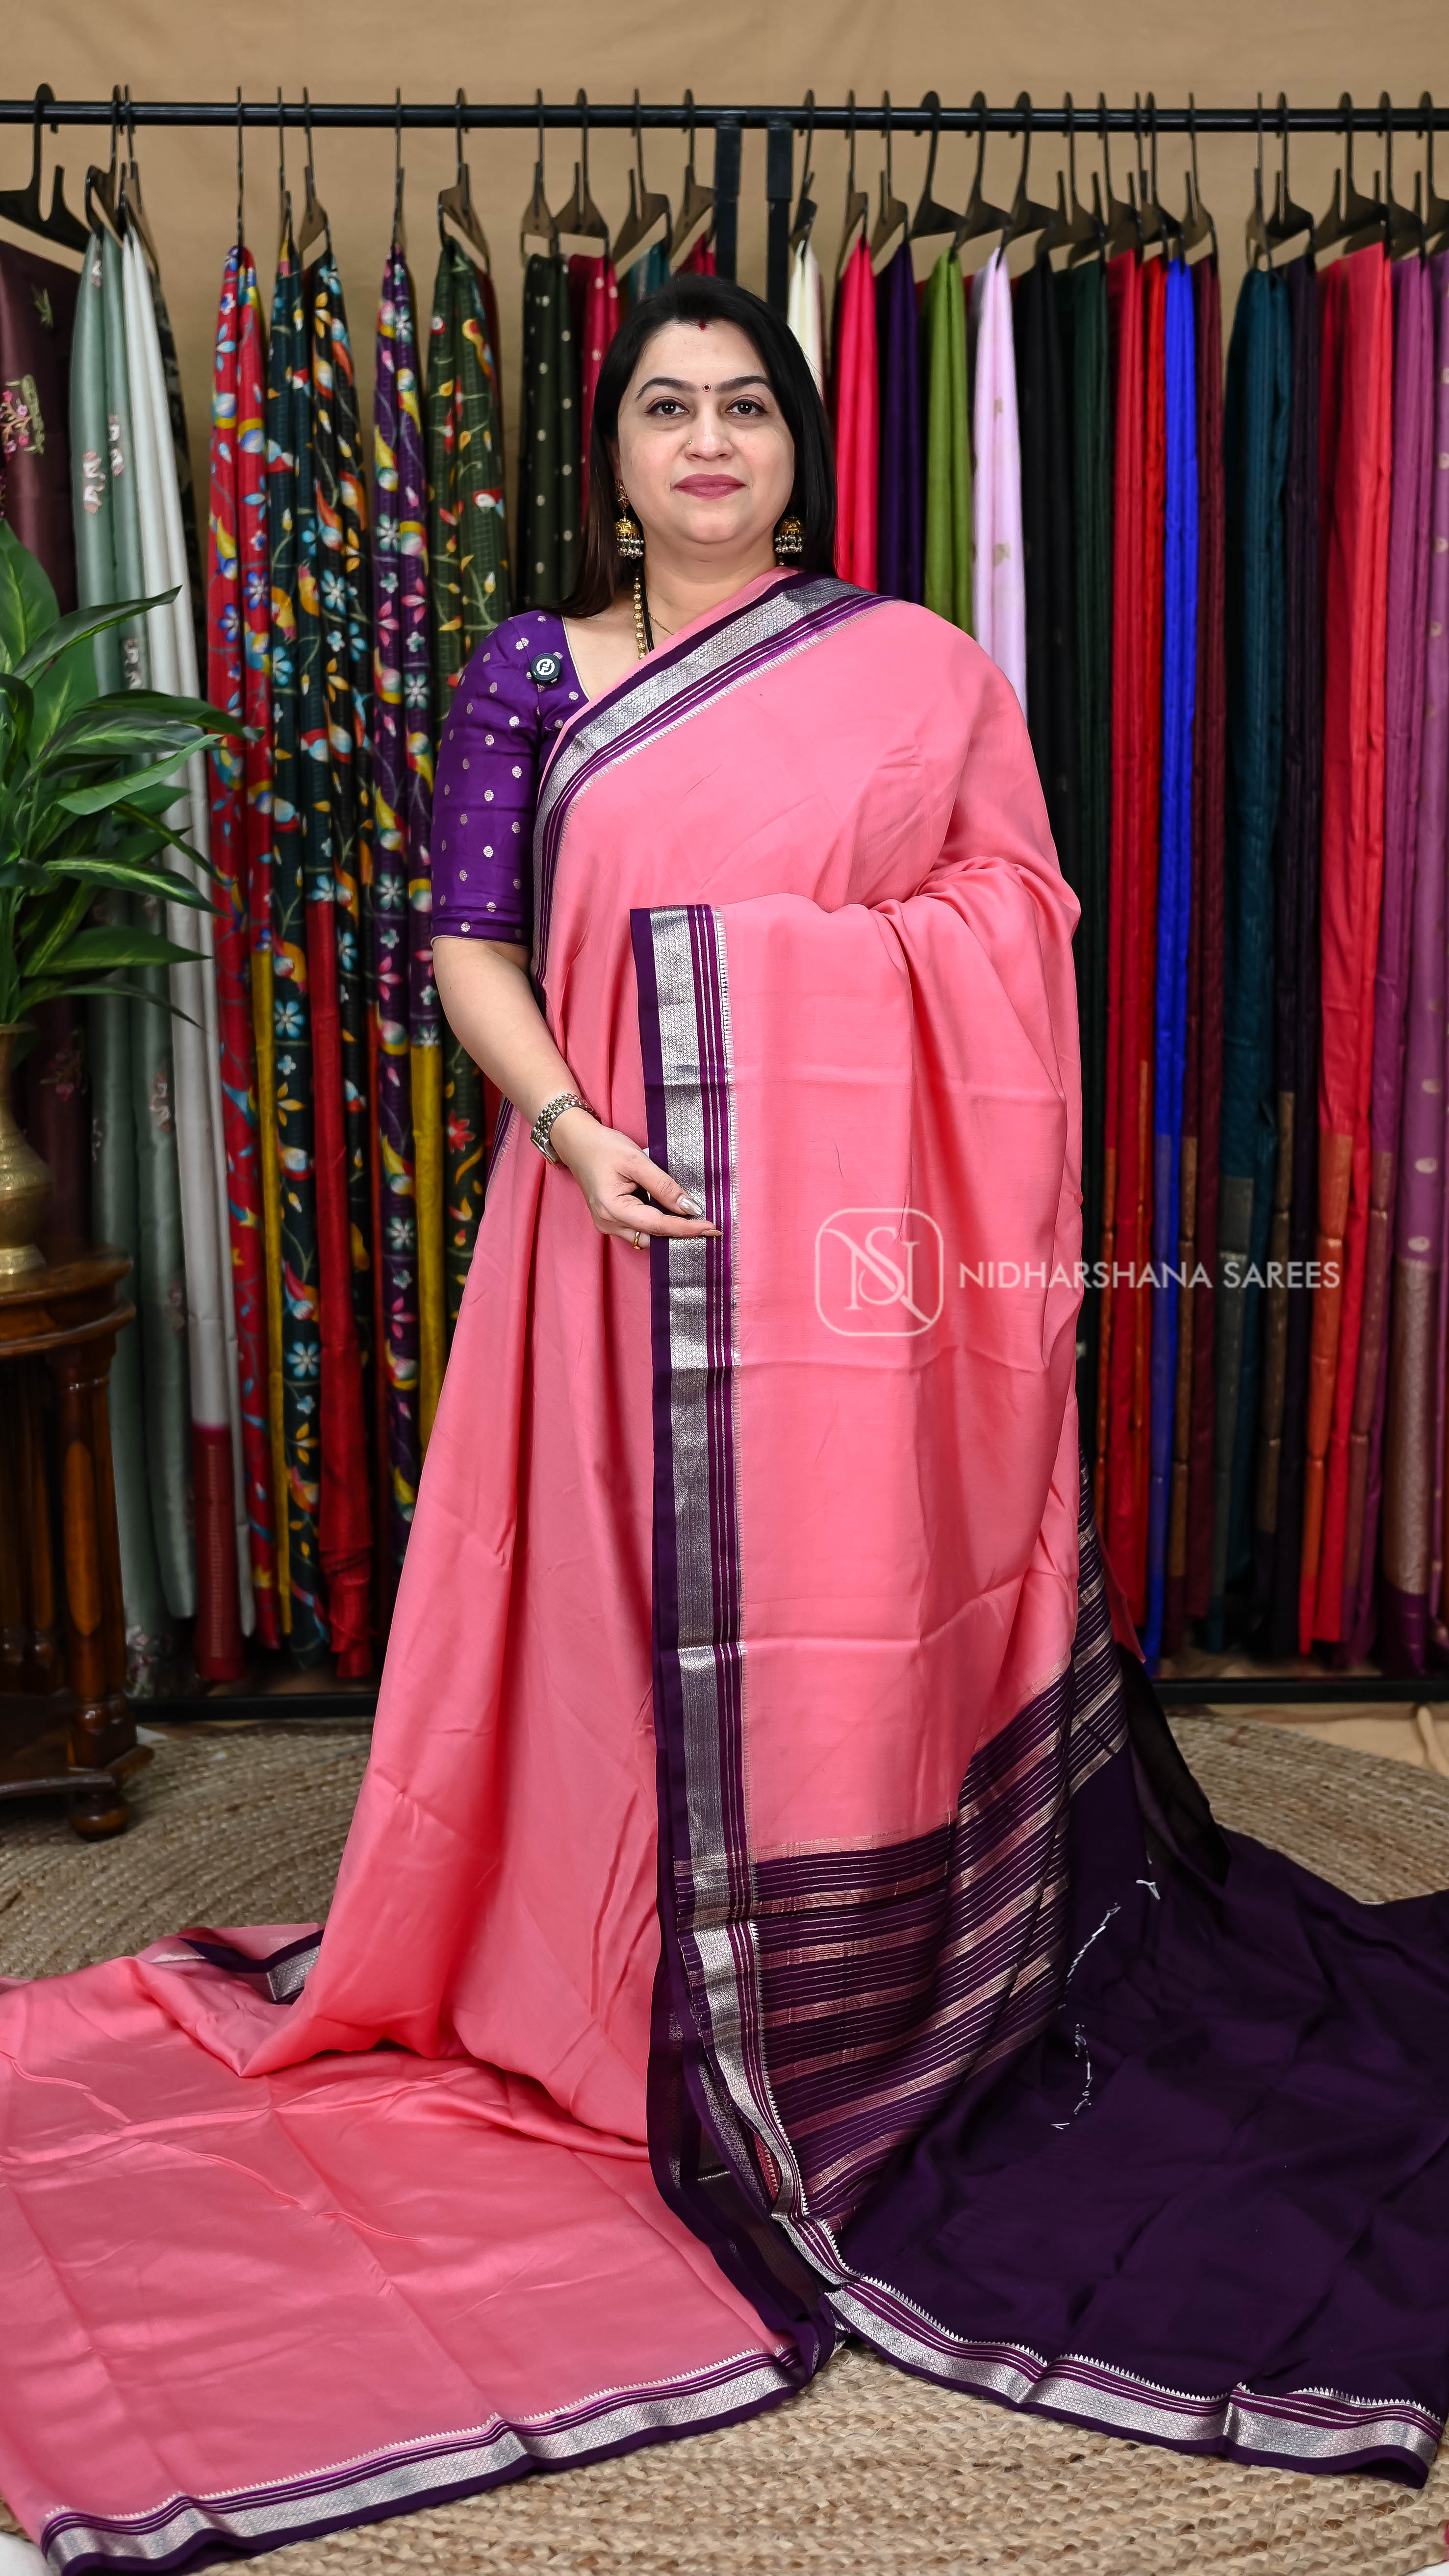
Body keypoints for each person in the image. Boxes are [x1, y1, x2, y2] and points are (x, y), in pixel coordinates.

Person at [2, 277, 1449, 2573]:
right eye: (665, 407)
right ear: (611, 451)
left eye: (744, 406)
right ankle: (597, 1978)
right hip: (610, 1226)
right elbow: (465, 937)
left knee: (844, 1614)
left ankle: (845, 1963)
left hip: (850, 1258)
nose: (706, 441)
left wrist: (772, 991)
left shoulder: (915, 672)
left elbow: (1012, 914)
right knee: (597, 1616)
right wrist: (581, 1125)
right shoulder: (532, 675)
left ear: (797, 446)